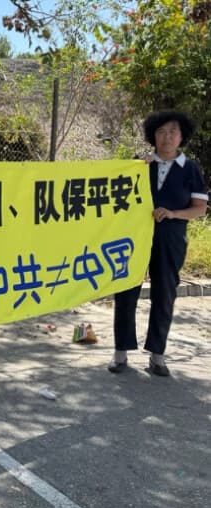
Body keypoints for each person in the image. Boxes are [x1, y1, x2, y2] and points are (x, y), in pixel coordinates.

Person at [108, 110, 208, 376]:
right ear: (152, 136)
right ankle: (120, 352)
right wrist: (136, 167)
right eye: (161, 132)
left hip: (171, 237)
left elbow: (199, 208)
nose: (167, 137)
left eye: (173, 132)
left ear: (182, 136)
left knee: (164, 293)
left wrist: (173, 214)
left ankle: (157, 355)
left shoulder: (191, 168)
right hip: (134, 238)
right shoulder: (140, 164)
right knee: (126, 289)